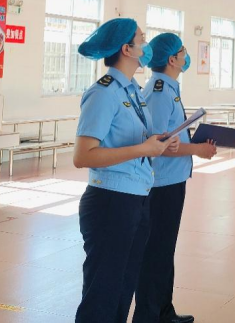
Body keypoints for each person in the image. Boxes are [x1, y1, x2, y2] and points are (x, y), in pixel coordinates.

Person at [73, 18, 178, 323]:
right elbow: (83, 155)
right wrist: (144, 149)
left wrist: (158, 142)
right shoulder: (104, 92)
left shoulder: (131, 90)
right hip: (110, 202)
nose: (147, 46)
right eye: (142, 40)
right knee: (102, 294)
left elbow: (131, 139)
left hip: (136, 198)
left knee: (122, 290)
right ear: (126, 49)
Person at [133, 33, 217, 324]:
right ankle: (148, 315)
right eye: (182, 52)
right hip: (161, 184)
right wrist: (198, 149)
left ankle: (163, 311)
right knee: (156, 251)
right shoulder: (159, 92)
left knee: (164, 249)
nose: (186, 56)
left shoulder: (169, 88)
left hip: (172, 180)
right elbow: (157, 143)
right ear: (172, 59)